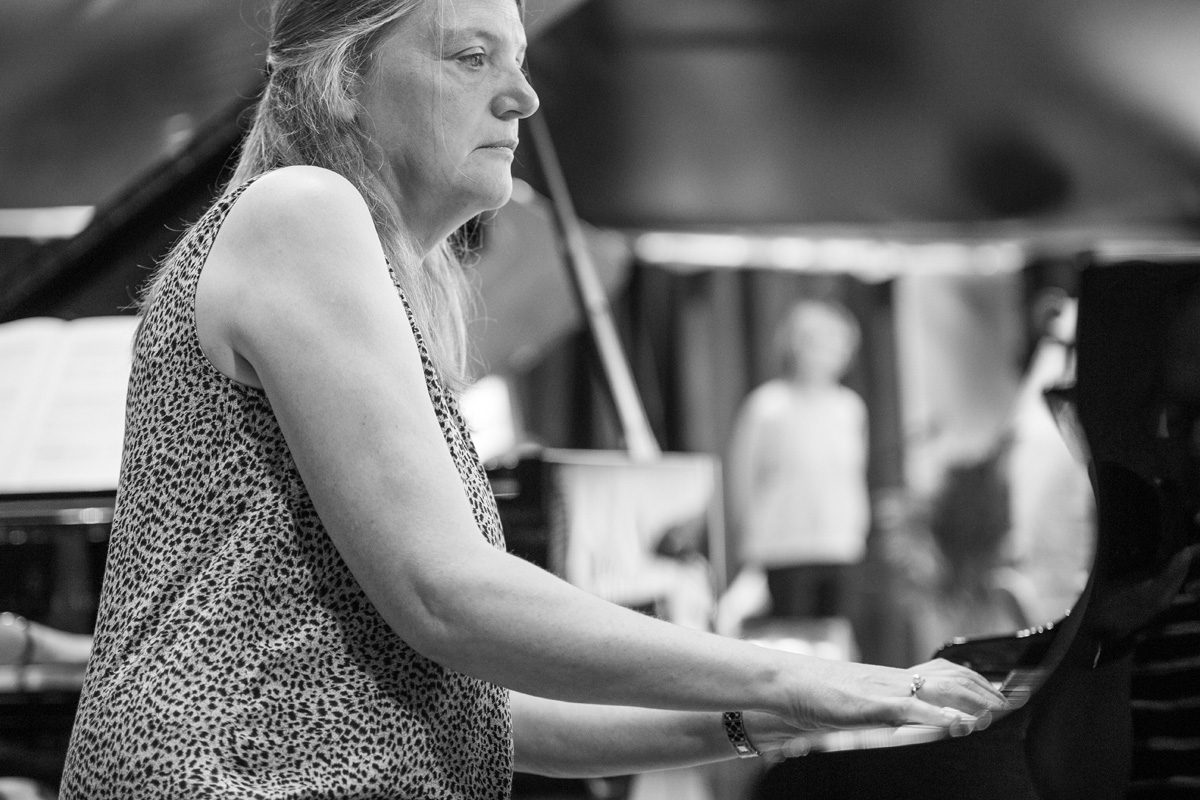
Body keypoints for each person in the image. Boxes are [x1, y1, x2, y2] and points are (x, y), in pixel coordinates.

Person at [57, 1, 1006, 797]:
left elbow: (481, 711)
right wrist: (791, 674)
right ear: (344, 77)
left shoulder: (349, 256)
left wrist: (756, 717)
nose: (524, 95)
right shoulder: (300, 209)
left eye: (517, 58)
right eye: (471, 57)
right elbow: (447, 596)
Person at [727, 299, 870, 623]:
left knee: (836, 636)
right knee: (791, 639)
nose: (826, 354)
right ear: (794, 345)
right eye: (816, 343)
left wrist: (857, 529)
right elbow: (742, 481)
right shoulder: (767, 406)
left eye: (837, 344)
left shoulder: (850, 409)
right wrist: (748, 544)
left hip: (840, 546)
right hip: (782, 550)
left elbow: (854, 476)